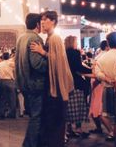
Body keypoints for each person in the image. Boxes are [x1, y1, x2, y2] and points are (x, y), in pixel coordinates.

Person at [30, 11, 74, 147]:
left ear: (53, 21)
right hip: (53, 87)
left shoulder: (55, 38)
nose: (42, 22)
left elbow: (59, 61)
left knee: (56, 123)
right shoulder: (50, 38)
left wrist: (42, 52)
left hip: (58, 89)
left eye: (45, 19)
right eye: (41, 20)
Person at [15, 13, 47, 147]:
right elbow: (37, 64)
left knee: (34, 116)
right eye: (41, 22)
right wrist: (51, 62)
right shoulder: (35, 38)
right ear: (37, 24)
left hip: (25, 83)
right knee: (36, 117)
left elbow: (17, 62)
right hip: (36, 84)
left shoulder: (21, 38)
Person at [94, 32, 116, 147]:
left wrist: (107, 79)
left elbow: (97, 73)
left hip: (107, 89)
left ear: (108, 43)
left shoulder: (101, 57)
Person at [64, 35, 92, 138]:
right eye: (76, 42)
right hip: (76, 82)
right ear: (73, 42)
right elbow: (78, 67)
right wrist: (91, 70)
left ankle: (69, 130)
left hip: (67, 83)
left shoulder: (64, 53)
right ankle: (79, 129)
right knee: (79, 106)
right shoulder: (75, 53)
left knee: (69, 108)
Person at [89, 40, 113, 139]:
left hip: (97, 84)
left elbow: (94, 72)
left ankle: (110, 131)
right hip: (101, 84)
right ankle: (111, 131)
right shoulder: (105, 56)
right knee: (99, 110)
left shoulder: (98, 56)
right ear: (107, 47)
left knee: (97, 110)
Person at [0, 52, 17, 119]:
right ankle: (12, 114)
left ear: (2, 57)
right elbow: (15, 71)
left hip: (2, 81)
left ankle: (2, 113)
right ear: (8, 57)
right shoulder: (11, 64)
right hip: (10, 81)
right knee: (12, 99)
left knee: (3, 98)